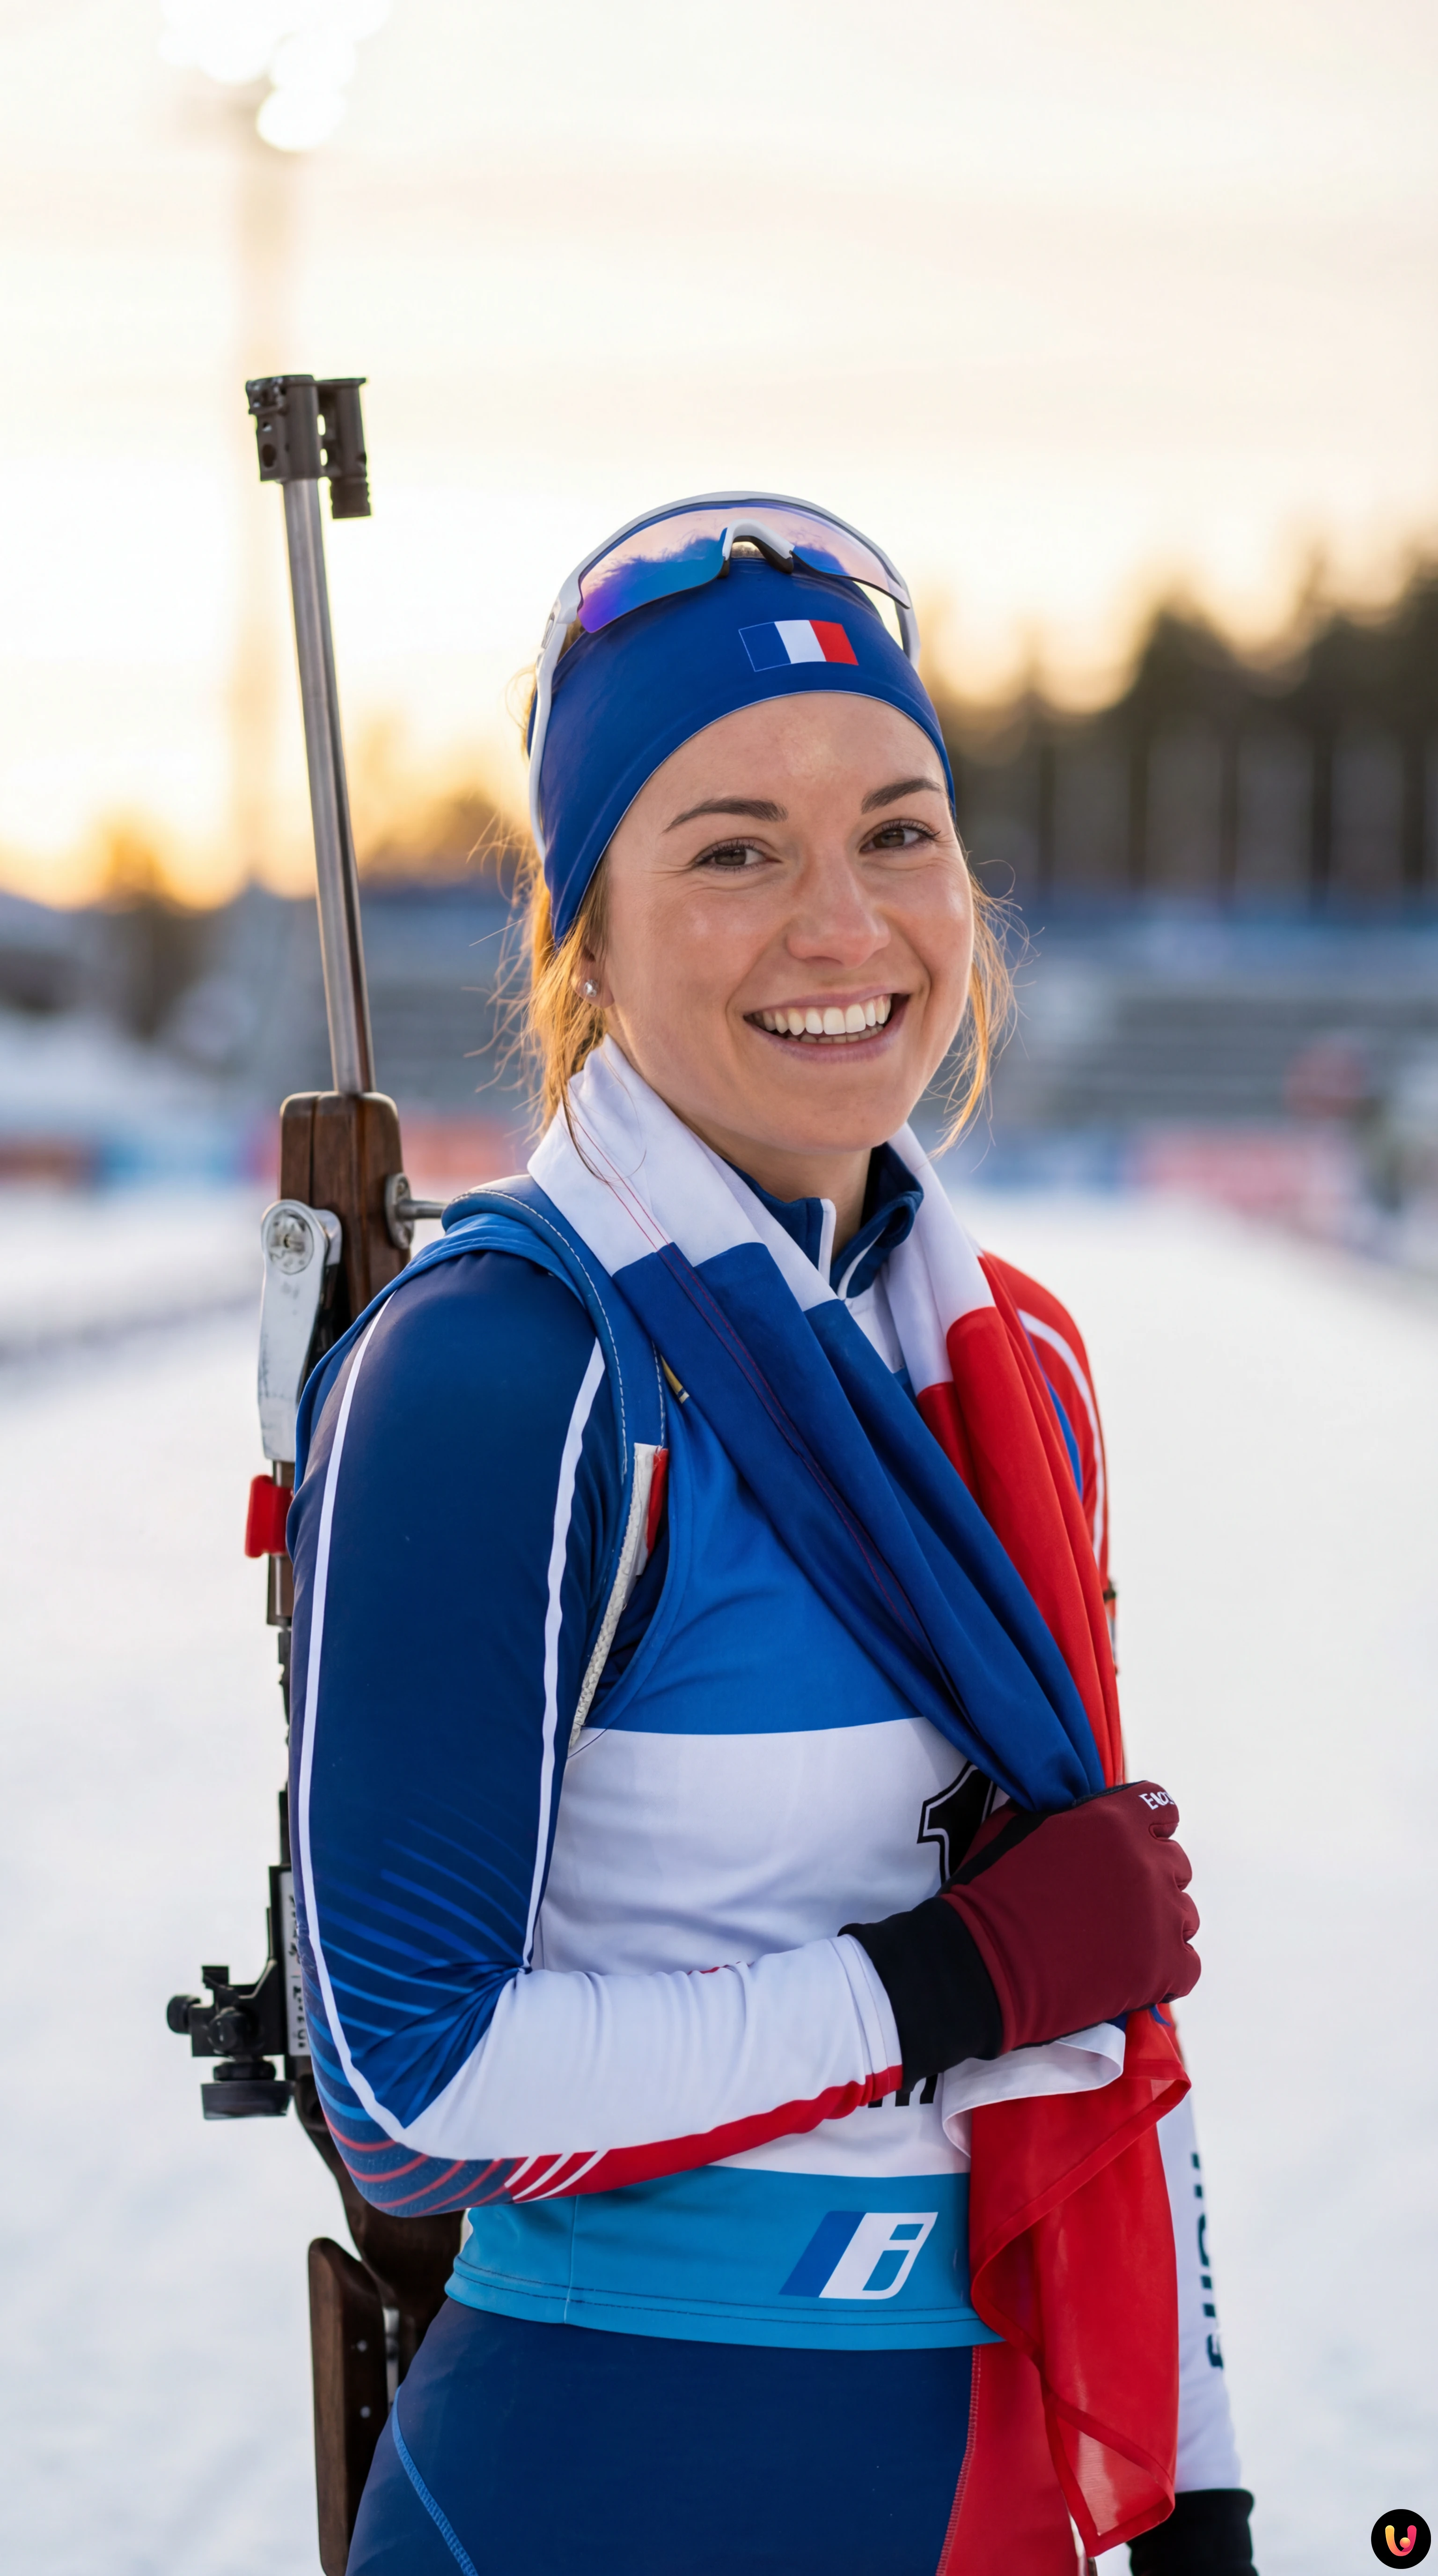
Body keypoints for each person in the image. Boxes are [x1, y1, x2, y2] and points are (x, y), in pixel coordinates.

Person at [287, 497, 1256, 2576]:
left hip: (990, 2461)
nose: (846, 922)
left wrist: (1202, 2480)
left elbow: (1106, 2008)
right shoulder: (502, 1374)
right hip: (610, 2475)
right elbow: (411, 2088)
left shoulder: (1010, 1366)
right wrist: (950, 1972)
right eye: (733, 847)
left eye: (898, 832)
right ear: (587, 925)